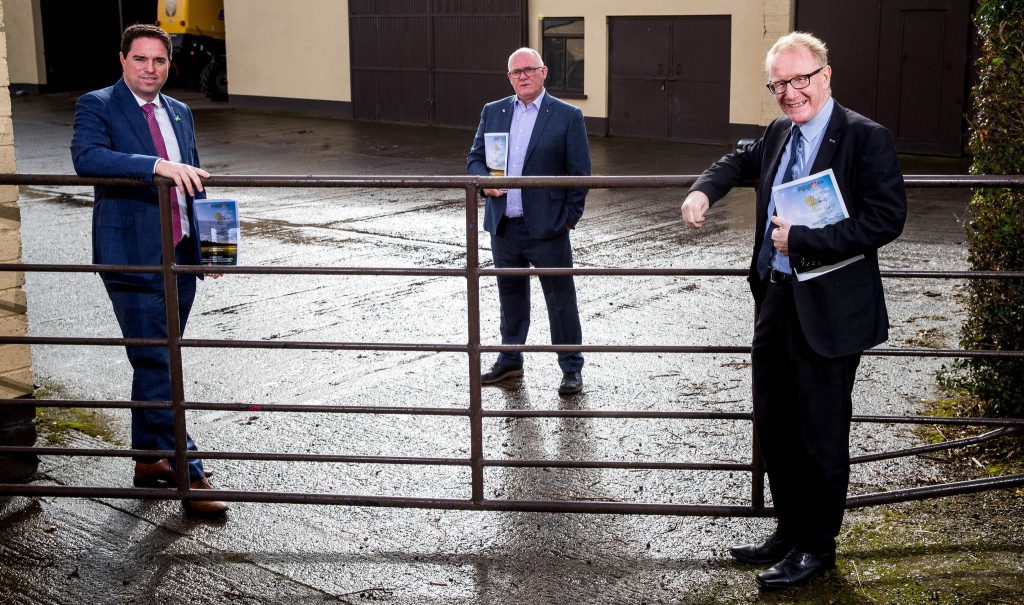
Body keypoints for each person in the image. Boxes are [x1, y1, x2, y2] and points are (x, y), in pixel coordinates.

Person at [680, 32, 906, 589]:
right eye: (779, 83)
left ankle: (817, 547)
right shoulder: (780, 131)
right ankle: (788, 531)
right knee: (775, 422)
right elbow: (740, 160)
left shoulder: (864, 137)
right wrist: (705, 190)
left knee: (821, 433)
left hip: (829, 312)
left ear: (825, 75)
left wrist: (802, 239)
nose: (789, 92)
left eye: (799, 79)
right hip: (776, 301)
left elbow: (886, 219)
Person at [71, 24, 227, 516]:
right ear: (123, 60)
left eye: (159, 61)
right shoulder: (97, 104)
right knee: (159, 361)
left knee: (159, 358)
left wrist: (215, 250)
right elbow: (87, 158)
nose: (150, 69)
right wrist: (155, 165)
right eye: (141, 59)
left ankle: (147, 459)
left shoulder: (179, 111)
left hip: (181, 251)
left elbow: (195, 176)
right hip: (132, 254)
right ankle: (190, 471)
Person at [467, 47, 591, 396]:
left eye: (529, 69)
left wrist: (567, 219)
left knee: (560, 299)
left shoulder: (567, 116)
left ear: (544, 72)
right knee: (510, 295)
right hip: (504, 225)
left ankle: (571, 368)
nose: (522, 76)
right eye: (515, 72)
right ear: (509, 78)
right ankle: (510, 360)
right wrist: (485, 183)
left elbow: (580, 173)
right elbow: (475, 159)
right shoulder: (494, 111)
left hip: (548, 228)